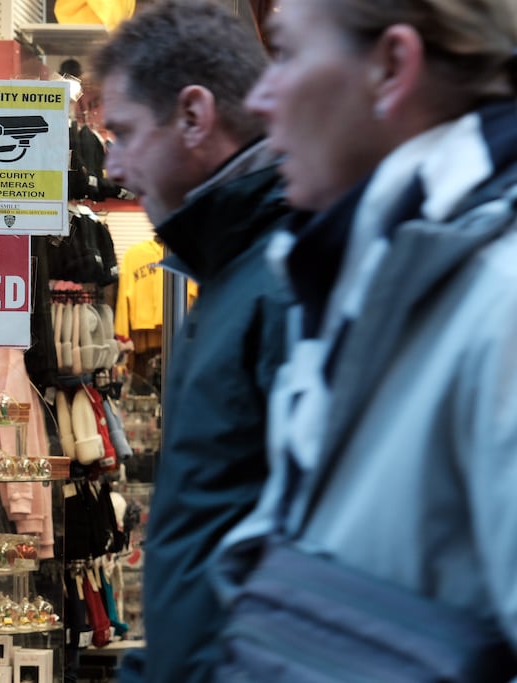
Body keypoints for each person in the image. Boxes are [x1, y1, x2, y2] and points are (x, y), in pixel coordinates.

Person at [212, 0, 517, 669]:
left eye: (286, 53)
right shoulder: (352, 277)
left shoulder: (498, 299)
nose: (260, 98)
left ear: (392, 67)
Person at [89, 2, 291, 680]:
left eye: (124, 132)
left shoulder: (283, 282)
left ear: (195, 116)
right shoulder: (232, 274)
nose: (114, 166)